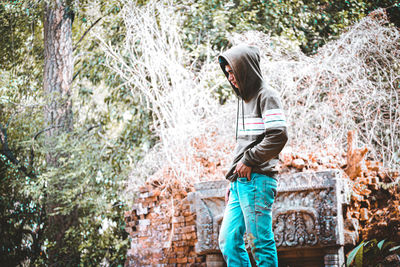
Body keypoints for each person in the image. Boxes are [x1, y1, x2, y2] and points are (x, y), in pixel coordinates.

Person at [218, 44, 288, 267]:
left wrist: (248, 160)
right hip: (240, 183)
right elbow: (243, 145)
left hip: (258, 180)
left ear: (246, 69)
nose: (230, 78)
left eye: (233, 72)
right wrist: (232, 180)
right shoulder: (243, 100)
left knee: (261, 244)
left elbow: (278, 136)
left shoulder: (266, 96)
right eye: (227, 72)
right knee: (228, 241)